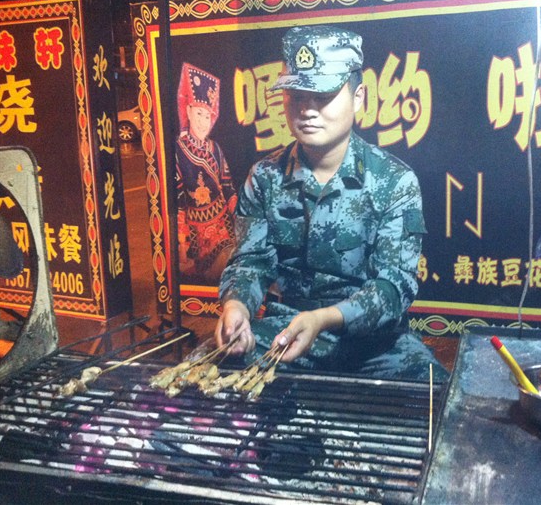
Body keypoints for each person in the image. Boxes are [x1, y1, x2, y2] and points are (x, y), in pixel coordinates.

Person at [215, 25, 447, 382]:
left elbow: (392, 289)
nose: (307, 110)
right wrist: (236, 306)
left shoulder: (394, 181)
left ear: (358, 97)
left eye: (322, 96)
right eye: (296, 95)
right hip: (286, 333)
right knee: (207, 370)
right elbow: (250, 263)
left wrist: (323, 319)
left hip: (374, 345)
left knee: (431, 387)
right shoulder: (264, 177)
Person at [175, 62, 237, 283]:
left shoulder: (215, 148)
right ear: (188, 111)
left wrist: (240, 219)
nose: (203, 122)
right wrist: (182, 247)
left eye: (208, 116)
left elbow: (228, 187)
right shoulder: (178, 151)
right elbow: (179, 202)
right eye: (199, 114)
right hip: (197, 234)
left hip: (225, 224)